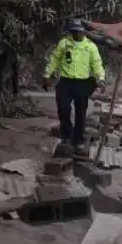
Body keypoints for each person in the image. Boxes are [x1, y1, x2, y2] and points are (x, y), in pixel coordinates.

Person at [43, 19, 106, 155]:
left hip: (83, 83)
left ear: (83, 32)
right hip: (65, 82)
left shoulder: (90, 47)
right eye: (73, 31)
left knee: (80, 113)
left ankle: (78, 139)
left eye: (78, 31)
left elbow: (97, 64)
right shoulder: (64, 43)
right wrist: (47, 74)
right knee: (63, 108)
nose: (75, 34)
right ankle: (66, 136)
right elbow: (54, 59)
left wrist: (100, 79)